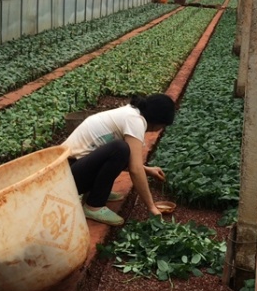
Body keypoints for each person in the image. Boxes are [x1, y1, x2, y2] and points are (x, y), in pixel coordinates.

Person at [62, 93, 175, 226]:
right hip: (68, 178)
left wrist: (148, 170)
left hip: (71, 170)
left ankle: (97, 190)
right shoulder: (135, 121)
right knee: (120, 149)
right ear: (159, 120)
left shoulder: (131, 113)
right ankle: (94, 205)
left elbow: (132, 159)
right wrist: (151, 207)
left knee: (122, 150)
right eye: (164, 125)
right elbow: (135, 169)